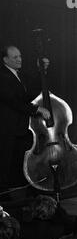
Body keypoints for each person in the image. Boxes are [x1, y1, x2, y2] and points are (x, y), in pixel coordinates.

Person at [0, 45, 50, 190]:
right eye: (15, 57)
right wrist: (37, 108)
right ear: (5, 59)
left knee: (18, 167)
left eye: (20, 56)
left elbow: (30, 94)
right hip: (7, 128)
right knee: (5, 167)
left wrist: (42, 71)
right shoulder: (2, 76)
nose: (19, 59)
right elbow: (13, 101)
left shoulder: (19, 74)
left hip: (21, 127)